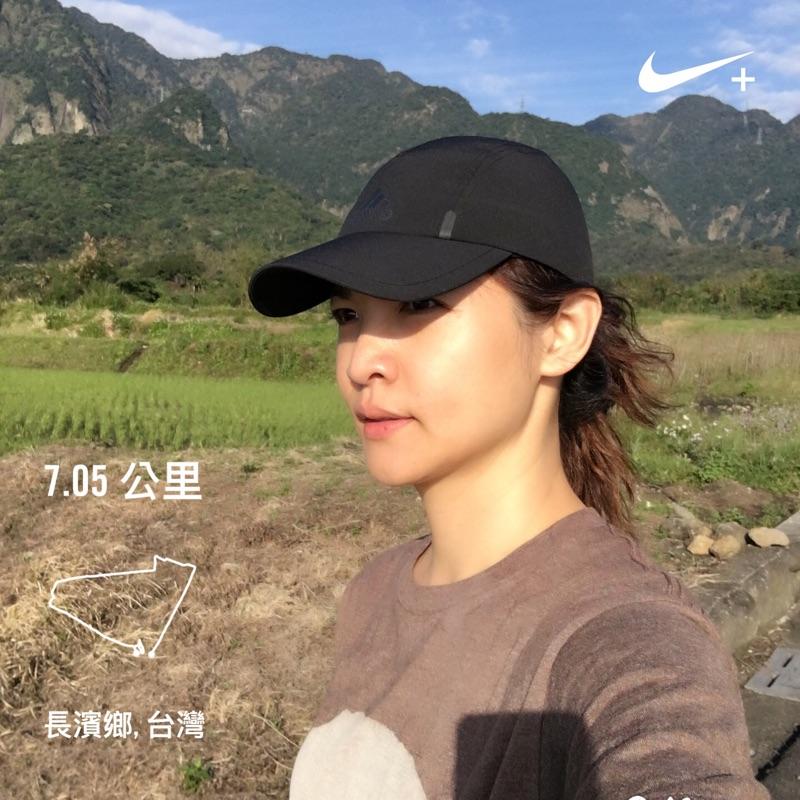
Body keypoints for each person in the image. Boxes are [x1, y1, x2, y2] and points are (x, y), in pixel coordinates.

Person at [247, 135, 771, 800]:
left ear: (562, 332)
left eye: (420, 304)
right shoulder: (374, 591)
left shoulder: (627, 640)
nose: (360, 361)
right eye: (348, 315)